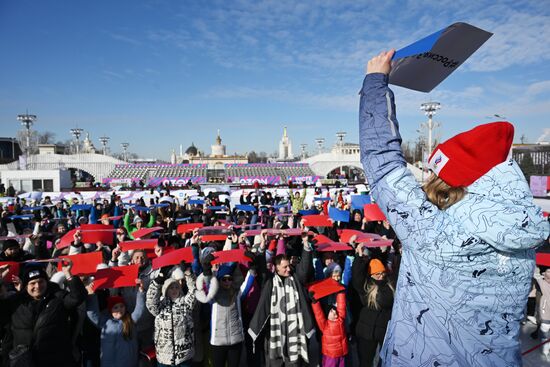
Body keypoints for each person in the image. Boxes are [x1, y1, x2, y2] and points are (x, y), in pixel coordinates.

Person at [359, 49, 550, 365]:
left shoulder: (436, 232)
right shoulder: (523, 233)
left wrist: (376, 82)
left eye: (437, 176)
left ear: (455, 184)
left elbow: (381, 162)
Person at [0, 260, 87, 367]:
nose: (37, 286)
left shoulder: (57, 297)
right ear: (26, 285)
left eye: (41, 281)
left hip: (54, 360)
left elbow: (77, 297)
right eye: (32, 283)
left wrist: (68, 273)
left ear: (47, 281)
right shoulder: (15, 302)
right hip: (24, 360)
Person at [249, 237, 315, 367]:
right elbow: (262, 270)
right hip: (274, 333)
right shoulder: (269, 282)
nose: (288, 269)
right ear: (276, 267)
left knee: (294, 363)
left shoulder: (296, 278)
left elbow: (305, 268)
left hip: (294, 333)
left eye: (289, 266)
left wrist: (306, 243)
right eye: (284, 267)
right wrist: (262, 246)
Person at [351, 245, 394, 367]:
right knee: (365, 362)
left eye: (382, 273)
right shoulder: (366, 287)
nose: (381, 276)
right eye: (377, 274)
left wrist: (386, 251)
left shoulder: (388, 286)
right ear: (371, 275)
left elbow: (386, 300)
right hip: (365, 333)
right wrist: (359, 257)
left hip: (383, 332)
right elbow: (357, 276)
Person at [86, 281, 146, 367]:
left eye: (122, 306)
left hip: (129, 363)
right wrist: (91, 295)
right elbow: (93, 315)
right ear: (110, 310)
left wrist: (140, 292)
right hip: (109, 363)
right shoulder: (105, 322)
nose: (119, 309)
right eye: (115, 307)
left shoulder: (130, 320)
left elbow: (139, 309)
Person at [146, 266, 197, 367]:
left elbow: (193, 292)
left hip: (184, 356)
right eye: (171, 287)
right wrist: (158, 280)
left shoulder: (185, 304)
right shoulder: (160, 306)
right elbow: (151, 301)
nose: (174, 290)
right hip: (164, 357)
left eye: (176, 287)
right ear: (165, 290)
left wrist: (188, 274)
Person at [311, 291, 348, 367]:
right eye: (331, 311)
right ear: (327, 316)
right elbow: (319, 314)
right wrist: (315, 302)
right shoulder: (325, 325)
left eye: (334, 310)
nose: (334, 311)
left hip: (341, 353)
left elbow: (341, 306)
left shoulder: (340, 320)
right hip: (331, 355)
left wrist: (340, 293)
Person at [534, 268, 550, 358]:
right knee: (545, 333)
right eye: (548, 271)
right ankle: (545, 350)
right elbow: (535, 274)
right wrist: (542, 274)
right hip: (546, 314)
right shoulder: (542, 283)